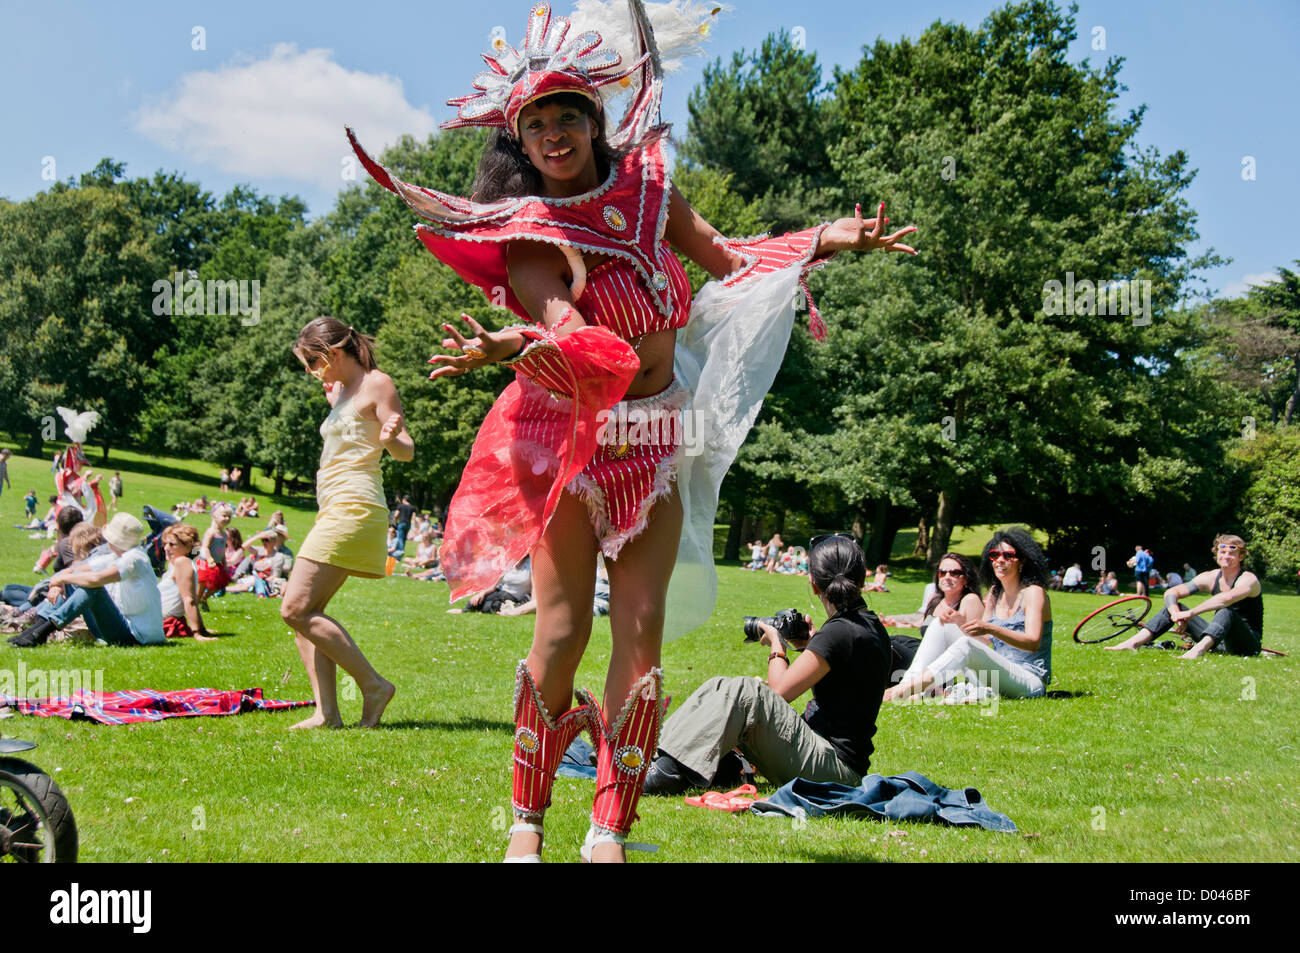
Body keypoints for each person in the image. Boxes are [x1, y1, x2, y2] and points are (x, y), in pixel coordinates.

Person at [348, 0, 915, 862]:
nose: (552, 135)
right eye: (534, 124)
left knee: (639, 635)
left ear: (594, 118)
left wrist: (830, 238)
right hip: (568, 438)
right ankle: (526, 823)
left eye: (566, 116)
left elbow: (730, 259)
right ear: (519, 140)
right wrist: (519, 341)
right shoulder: (527, 232)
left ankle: (609, 827)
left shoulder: (651, 192)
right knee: (561, 631)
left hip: (654, 441)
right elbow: (571, 332)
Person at [642, 534, 890, 794]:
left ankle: (664, 773)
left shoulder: (840, 632)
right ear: (862, 579)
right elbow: (846, 676)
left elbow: (779, 691)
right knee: (720, 685)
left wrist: (777, 644)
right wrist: (812, 644)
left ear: (814, 584)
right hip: (835, 763)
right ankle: (658, 756)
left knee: (747, 692)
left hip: (833, 770)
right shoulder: (867, 626)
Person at [285, 317, 413, 728]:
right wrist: (335, 404)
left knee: (295, 608)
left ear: (335, 354)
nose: (311, 372)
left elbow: (406, 450)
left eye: (313, 362)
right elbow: (350, 431)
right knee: (308, 612)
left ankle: (374, 685)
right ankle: (327, 713)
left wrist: (392, 435)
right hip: (335, 506)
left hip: (355, 507)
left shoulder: (378, 383)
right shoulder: (340, 390)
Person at [885, 527, 1054, 702]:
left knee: (966, 644)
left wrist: (990, 628)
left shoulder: (1033, 593)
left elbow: (1033, 642)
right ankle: (909, 686)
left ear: (1022, 560)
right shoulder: (996, 592)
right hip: (998, 675)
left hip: (1029, 680)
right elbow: (985, 640)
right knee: (940, 625)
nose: (999, 561)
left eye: (1008, 555)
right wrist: (959, 622)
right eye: (995, 555)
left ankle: (901, 691)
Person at [9, 512, 165, 648]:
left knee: (92, 587)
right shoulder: (116, 556)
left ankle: (43, 630)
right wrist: (58, 581)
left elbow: (96, 579)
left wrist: (62, 578)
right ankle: (38, 628)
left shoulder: (135, 558)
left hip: (138, 636)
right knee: (77, 581)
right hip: (121, 628)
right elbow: (71, 571)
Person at [1106, 533, 1262, 658]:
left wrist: (1191, 613)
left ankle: (1198, 651)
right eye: (1223, 552)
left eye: (1232, 553)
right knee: (1174, 607)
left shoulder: (1248, 579)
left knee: (1226, 611)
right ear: (1217, 554)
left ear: (1241, 557)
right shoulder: (1210, 577)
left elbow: (1226, 599)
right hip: (1219, 638)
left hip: (1246, 644)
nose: (1226, 556)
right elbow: (1172, 592)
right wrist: (1176, 614)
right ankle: (1132, 643)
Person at [157, 523, 215, 640]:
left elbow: (189, 600)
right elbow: (191, 599)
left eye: (172, 544)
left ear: (188, 547)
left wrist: (196, 633)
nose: (166, 548)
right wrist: (202, 629)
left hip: (162, 619)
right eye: (165, 544)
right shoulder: (177, 563)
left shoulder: (182, 562)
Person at [195, 503, 233, 606]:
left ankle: (204, 598)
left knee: (220, 584)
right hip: (206, 562)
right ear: (214, 516)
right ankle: (196, 605)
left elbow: (222, 550)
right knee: (201, 586)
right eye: (224, 516)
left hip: (217, 563)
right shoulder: (211, 532)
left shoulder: (224, 534)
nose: (227, 518)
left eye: (229, 516)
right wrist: (210, 560)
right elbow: (205, 547)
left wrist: (224, 563)